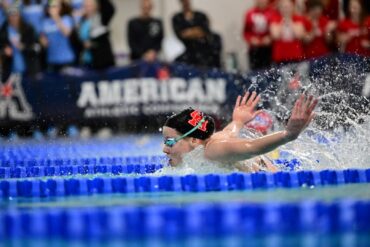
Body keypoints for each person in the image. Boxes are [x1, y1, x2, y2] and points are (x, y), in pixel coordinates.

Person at [162, 91, 318, 172]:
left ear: (194, 140)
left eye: (169, 141)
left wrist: (287, 135)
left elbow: (252, 147)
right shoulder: (209, 142)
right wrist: (238, 121)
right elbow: (229, 131)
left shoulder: (212, 150)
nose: (164, 149)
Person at [172, 0, 222, 68]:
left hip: (204, 50)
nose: (185, 2)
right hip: (190, 51)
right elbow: (181, 35)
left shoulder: (200, 16)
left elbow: (204, 31)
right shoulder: (177, 18)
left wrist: (189, 32)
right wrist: (196, 31)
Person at [0, 4, 40, 80]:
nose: (13, 18)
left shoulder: (28, 29)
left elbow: (37, 48)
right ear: (7, 17)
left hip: (29, 72)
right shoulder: (4, 30)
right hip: (10, 73)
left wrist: (24, 47)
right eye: (11, 15)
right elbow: (1, 45)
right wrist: (4, 50)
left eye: (15, 15)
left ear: (20, 16)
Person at [78, 0, 115, 69]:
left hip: (101, 60)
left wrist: (91, 44)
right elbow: (79, 37)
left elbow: (110, 9)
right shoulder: (82, 20)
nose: (88, 8)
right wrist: (83, 43)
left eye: (90, 6)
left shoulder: (102, 18)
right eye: (86, 6)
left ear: (96, 6)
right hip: (86, 59)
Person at [40, 0, 75, 72]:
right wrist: (43, 41)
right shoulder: (45, 21)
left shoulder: (66, 19)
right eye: (51, 6)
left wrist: (56, 17)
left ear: (60, 8)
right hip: (51, 60)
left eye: (55, 6)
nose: (53, 8)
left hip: (66, 59)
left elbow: (66, 33)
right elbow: (43, 38)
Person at [270, 0, 306, 64]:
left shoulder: (298, 19)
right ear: (279, 8)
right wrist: (283, 21)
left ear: (292, 7)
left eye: (288, 7)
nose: (286, 10)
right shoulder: (275, 19)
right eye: (283, 7)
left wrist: (290, 21)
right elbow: (275, 36)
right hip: (280, 56)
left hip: (296, 54)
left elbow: (299, 35)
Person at [243, 0, 275, 70]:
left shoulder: (272, 12)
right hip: (254, 49)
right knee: (255, 72)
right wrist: (251, 39)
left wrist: (270, 38)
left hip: (269, 49)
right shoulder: (250, 13)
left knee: (269, 71)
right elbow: (246, 31)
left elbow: (276, 28)